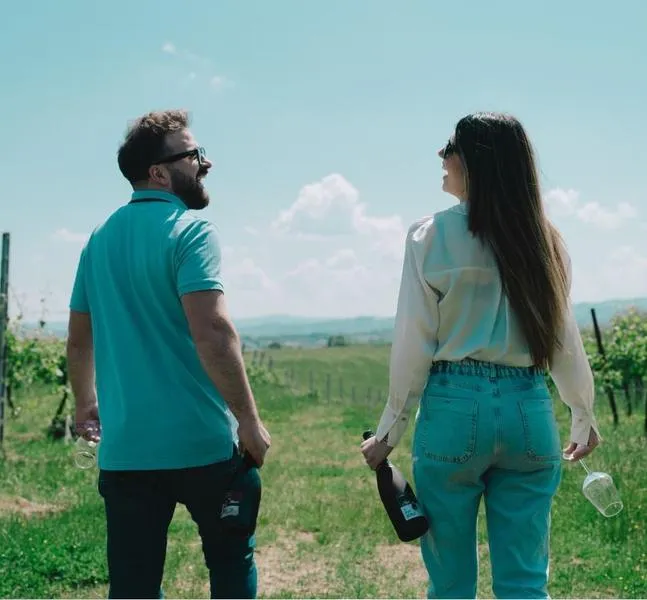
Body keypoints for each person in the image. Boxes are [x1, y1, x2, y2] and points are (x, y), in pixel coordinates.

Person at [361, 112, 601, 599]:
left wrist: (389, 431)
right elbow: (563, 339)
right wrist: (583, 413)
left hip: (452, 411)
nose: (441, 154)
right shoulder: (548, 241)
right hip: (529, 411)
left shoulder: (429, 236)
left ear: (475, 162)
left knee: (450, 585)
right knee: (525, 584)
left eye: (450, 146)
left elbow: (413, 342)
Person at [66, 109, 271, 599]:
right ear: (159, 172)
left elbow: (78, 339)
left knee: (133, 585)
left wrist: (85, 405)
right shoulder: (191, 232)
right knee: (230, 564)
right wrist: (248, 420)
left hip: (126, 451)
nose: (206, 163)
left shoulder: (98, 240)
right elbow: (213, 331)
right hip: (203, 446)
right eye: (194, 154)